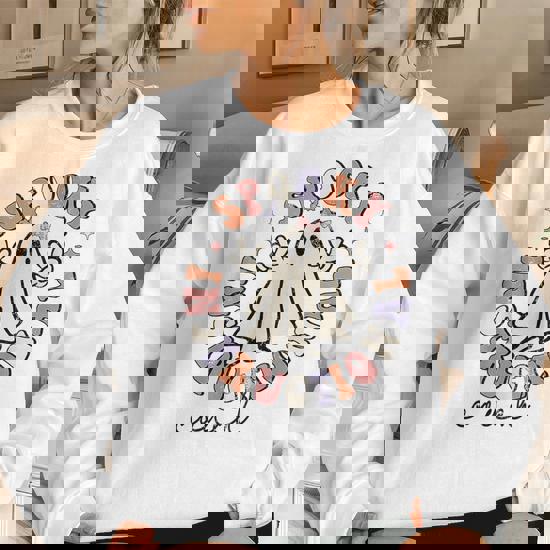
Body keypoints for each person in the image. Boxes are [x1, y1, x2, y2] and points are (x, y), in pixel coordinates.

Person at [0, 0, 182, 541]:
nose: (93, 11)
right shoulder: (25, 129)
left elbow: (120, 289)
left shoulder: (151, 139)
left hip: (71, 380)